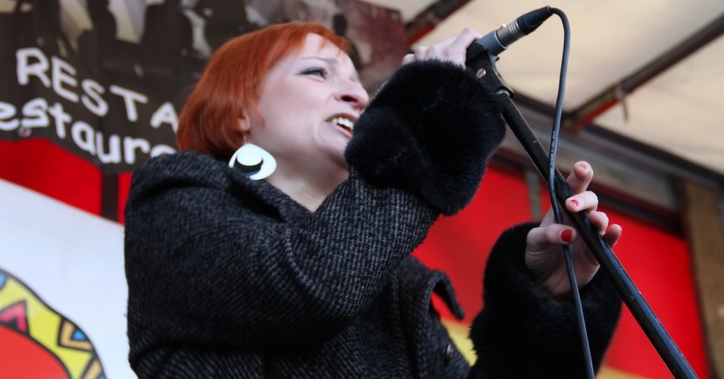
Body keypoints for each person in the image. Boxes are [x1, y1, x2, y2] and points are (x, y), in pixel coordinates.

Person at [124, 22, 623, 378]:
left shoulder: (393, 282)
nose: (358, 97)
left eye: (358, 84)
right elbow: (310, 286)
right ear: (239, 111)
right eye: (317, 73)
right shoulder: (176, 200)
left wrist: (548, 301)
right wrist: (425, 119)